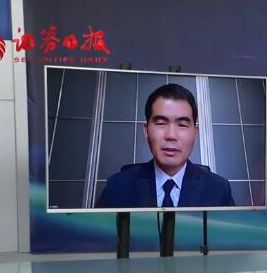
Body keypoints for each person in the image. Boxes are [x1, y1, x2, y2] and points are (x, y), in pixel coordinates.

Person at [95, 83, 235, 208]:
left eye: (182, 125)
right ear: (146, 131)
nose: (171, 135)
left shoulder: (219, 190)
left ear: (195, 133)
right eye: (161, 123)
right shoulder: (117, 187)